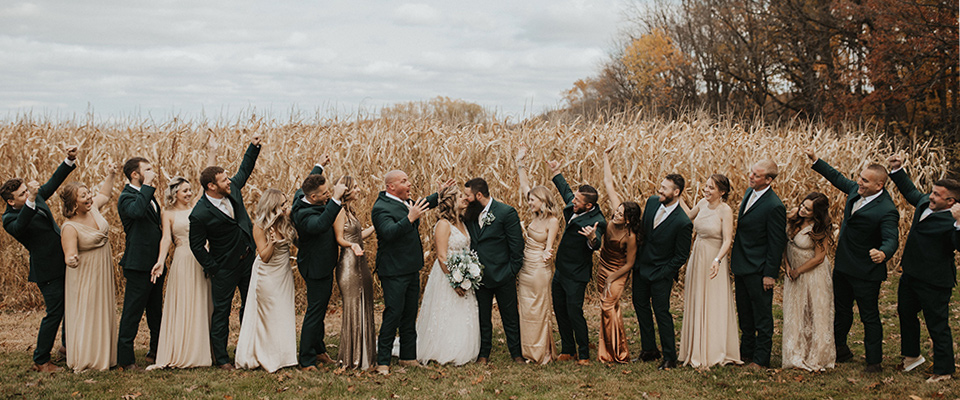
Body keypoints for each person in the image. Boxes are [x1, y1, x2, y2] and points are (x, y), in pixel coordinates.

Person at [805, 149, 898, 374]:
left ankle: (874, 362)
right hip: (844, 266)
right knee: (842, 311)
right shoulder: (856, 192)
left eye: (865, 180)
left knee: (869, 316)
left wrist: (884, 253)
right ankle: (840, 349)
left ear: (880, 185)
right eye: (860, 177)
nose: (859, 182)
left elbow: (891, 238)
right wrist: (817, 161)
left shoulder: (886, 210)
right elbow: (838, 178)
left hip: (866, 272)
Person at [1, 144, 78, 372]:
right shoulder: (10, 218)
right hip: (46, 270)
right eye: (21, 194)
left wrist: (69, 160)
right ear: (10, 201)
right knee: (54, 312)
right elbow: (21, 225)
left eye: (27, 190)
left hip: (62, 260)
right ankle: (41, 359)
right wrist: (31, 200)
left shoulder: (34, 198)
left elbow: (53, 182)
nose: (27, 194)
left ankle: (66, 346)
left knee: (68, 306)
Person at [189, 133, 262, 370]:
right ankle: (221, 358)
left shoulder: (234, 189)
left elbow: (245, 168)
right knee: (221, 313)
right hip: (224, 268)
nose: (228, 181)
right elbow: (196, 246)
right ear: (212, 186)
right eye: (223, 180)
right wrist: (214, 268)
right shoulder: (199, 214)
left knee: (250, 306)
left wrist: (253, 146)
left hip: (248, 260)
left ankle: (248, 349)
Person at [887, 154, 959, 383]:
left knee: (937, 325)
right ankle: (912, 356)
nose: (932, 196)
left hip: (934, 281)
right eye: (933, 191)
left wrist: (959, 223)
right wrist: (897, 170)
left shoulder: (953, 221)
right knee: (906, 314)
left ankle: (944, 370)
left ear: (951, 202)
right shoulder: (924, 203)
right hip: (910, 275)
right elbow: (911, 192)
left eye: (938, 195)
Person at [371, 170, 451, 375]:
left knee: (409, 314)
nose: (409, 184)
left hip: (411, 268)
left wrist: (439, 195)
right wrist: (410, 218)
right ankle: (383, 361)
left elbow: (423, 204)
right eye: (404, 181)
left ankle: (408, 356)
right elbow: (388, 233)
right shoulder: (381, 208)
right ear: (391, 187)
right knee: (393, 314)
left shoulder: (407, 202)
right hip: (393, 271)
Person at [146, 177, 214, 370]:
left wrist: (212, 151)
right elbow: (166, 239)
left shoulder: (198, 207)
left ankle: (203, 349)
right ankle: (183, 349)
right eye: (185, 191)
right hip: (183, 258)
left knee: (201, 300)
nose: (189, 194)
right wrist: (160, 261)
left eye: (190, 190)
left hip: (202, 257)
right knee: (185, 301)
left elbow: (205, 183)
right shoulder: (167, 214)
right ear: (175, 193)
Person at [60, 162, 120, 372]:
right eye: (83, 196)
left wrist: (111, 174)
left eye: (88, 194)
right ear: (73, 203)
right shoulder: (69, 226)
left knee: (102, 310)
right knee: (87, 312)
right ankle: (87, 358)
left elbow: (105, 193)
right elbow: (69, 253)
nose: (89, 198)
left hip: (101, 268)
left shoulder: (94, 209)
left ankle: (105, 356)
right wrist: (71, 259)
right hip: (84, 275)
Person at [677, 174, 741, 369]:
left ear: (722, 192)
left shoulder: (725, 210)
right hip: (698, 254)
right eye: (706, 186)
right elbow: (688, 216)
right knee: (697, 297)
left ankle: (714, 350)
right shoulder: (702, 204)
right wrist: (677, 195)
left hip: (714, 257)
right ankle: (695, 347)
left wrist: (717, 259)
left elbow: (727, 240)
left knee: (714, 300)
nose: (706, 190)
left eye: (711, 188)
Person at [291, 157, 346, 371]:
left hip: (321, 265)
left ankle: (319, 349)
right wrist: (337, 200)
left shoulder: (301, 195)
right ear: (313, 197)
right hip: (316, 267)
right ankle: (306, 358)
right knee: (315, 311)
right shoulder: (304, 214)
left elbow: (308, 180)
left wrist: (319, 166)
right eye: (325, 194)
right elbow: (322, 224)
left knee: (320, 309)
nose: (328, 195)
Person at [633, 173, 693, 370]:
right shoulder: (651, 203)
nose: (660, 190)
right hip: (641, 268)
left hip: (661, 274)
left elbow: (681, 255)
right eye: (661, 186)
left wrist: (664, 272)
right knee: (641, 307)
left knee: (662, 313)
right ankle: (649, 349)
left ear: (676, 192)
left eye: (665, 188)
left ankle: (669, 357)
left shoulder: (683, 222)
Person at [415, 185, 481, 365]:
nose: (465, 199)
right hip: (447, 275)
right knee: (446, 310)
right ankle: (442, 349)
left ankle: (462, 348)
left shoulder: (461, 222)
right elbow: (442, 256)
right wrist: (455, 282)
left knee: (462, 310)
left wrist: (468, 275)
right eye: (460, 196)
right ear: (451, 201)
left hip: (463, 273)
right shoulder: (443, 225)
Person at [731, 160, 787, 370]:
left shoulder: (775, 206)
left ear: (769, 180)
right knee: (745, 312)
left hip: (759, 268)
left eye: (756, 175)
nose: (751, 177)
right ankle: (746, 352)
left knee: (762, 315)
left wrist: (770, 274)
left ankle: (761, 359)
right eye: (751, 172)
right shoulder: (749, 193)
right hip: (742, 264)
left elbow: (776, 243)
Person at [548, 160, 606, 365]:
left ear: (588, 205)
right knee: (560, 310)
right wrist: (557, 172)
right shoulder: (576, 207)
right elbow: (566, 192)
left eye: (578, 200)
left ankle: (583, 353)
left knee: (575, 312)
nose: (573, 200)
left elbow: (597, 241)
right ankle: (568, 348)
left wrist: (592, 238)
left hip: (577, 275)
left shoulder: (597, 220)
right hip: (561, 272)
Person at [234, 189, 299, 372]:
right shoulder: (260, 226)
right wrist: (272, 242)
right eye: (283, 203)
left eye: (286, 202)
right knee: (268, 314)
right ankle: (265, 356)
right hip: (267, 274)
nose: (286, 206)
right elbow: (264, 256)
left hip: (283, 274)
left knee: (283, 312)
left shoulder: (286, 223)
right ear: (273, 206)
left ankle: (284, 355)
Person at [463, 177, 525, 364]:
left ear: (479, 195)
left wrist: (510, 271)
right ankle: (484, 353)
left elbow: (517, 247)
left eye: (468, 195)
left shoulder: (506, 212)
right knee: (483, 317)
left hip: (503, 274)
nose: (465, 199)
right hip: (479, 276)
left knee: (510, 317)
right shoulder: (469, 214)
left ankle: (516, 353)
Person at [591, 144, 640, 364]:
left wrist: (613, 277)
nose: (616, 214)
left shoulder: (630, 236)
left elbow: (630, 263)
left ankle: (615, 353)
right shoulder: (615, 212)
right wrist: (605, 157)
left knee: (607, 306)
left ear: (628, 219)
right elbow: (609, 184)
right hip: (603, 267)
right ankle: (613, 348)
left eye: (620, 215)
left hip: (618, 272)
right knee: (612, 309)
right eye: (616, 212)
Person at [116, 157, 164, 370]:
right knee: (132, 313)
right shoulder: (126, 197)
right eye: (147, 169)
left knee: (156, 311)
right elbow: (136, 212)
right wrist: (147, 187)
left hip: (155, 263)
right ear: (135, 174)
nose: (152, 172)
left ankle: (156, 350)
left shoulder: (148, 195)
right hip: (137, 264)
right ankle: (125, 360)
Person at [514, 145, 560, 364]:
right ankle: (528, 350)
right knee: (526, 309)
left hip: (540, 269)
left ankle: (542, 351)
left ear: (543, 200)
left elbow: (549, 247)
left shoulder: (552, 221)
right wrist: (520, 162)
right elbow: (525, 185)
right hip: (525, 267)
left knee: (540, 308)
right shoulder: (535, 214)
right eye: (530, 199)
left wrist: (547, 255)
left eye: (533, 200)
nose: (529, 202)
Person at [782, 192, 835, 371]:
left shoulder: (820, 228)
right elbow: (786, 245)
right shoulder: (794, 216)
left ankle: (816, 353)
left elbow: (819, 257)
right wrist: (788, 267)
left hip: (812, 273)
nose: (803, 210)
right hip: (793, 272)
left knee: (814, 311)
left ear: (817, 213)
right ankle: (795, 350)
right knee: (795, 310)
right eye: (803, 205)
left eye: (808, 210)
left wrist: (799, 270)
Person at [332, 175, 377, 370]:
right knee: (352, 307)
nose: (359, 190)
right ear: (347, 190)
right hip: (349, 264)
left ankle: (365, 355)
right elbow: (339, 239)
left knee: (364, 303)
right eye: (356, 187)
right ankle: (351, 357)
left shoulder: (351, 212)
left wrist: (376, 227)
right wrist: (353, 246)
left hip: (361, 261)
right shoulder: (339, 211)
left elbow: (358, 235)